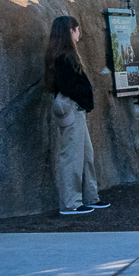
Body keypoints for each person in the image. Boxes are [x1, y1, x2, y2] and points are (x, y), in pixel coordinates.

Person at [45, 15, 109, 214]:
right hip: (71, 107)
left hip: (76, 108)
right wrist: (83, 97)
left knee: (86, 155)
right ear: (70, 31)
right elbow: (67, 85)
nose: (79, 32)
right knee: (71, 156)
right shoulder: (63, 56)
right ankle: (70, 203)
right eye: (77, 29)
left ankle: (90, 197)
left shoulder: (65, 54)